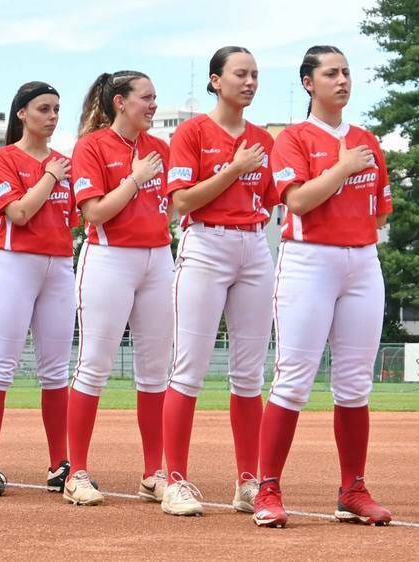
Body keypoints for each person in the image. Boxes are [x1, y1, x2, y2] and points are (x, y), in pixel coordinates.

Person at [255, 45, 393, 528]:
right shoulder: (292, 138)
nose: (342, 80)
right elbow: (298, 202)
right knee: (293, 377)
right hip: (309, 261)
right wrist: (340, 168)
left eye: (347, 72)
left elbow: (378, 210)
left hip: (362, 261)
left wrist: (349, 169)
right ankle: (267, 487)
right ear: (308, 83)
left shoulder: (367, 140)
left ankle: (352, 488)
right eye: (331, 73)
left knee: (355, 383)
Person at [161, 46, 279, 516]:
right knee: (188, 367)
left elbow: (271, 198)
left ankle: (247, 481)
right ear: (215, 80)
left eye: (255, 74)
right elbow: (183, 202)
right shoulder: (192, 132)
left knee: (249, 373)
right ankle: (174, 481)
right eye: (240, 74)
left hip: (253, 245)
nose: (249, 82)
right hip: (205, 245)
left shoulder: (263, 139)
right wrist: (233, 169)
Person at [65, 71, 172, 506]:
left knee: (155, 372)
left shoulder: (161, 149)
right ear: (119, 102)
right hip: (109, 259)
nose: (153, 105)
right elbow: (94, 213)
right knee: (94, 365)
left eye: (154, 97)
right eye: (145, 98)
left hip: (159, 258)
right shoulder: (91, 146)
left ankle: (153, 473)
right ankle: (76, 473)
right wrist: (133, 178)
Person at [0, 82, 76, 496]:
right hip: (15, 263)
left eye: (56, 109)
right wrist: (50, 176)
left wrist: (55, 173)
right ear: (21, 113)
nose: (52, 116)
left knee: (55, 371)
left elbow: (72, 219)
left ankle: (59, 465)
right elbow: (17, 213)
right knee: (1, 364)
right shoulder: (2, 158)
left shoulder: (65, 162)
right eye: (43, 109)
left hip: (59, 265)